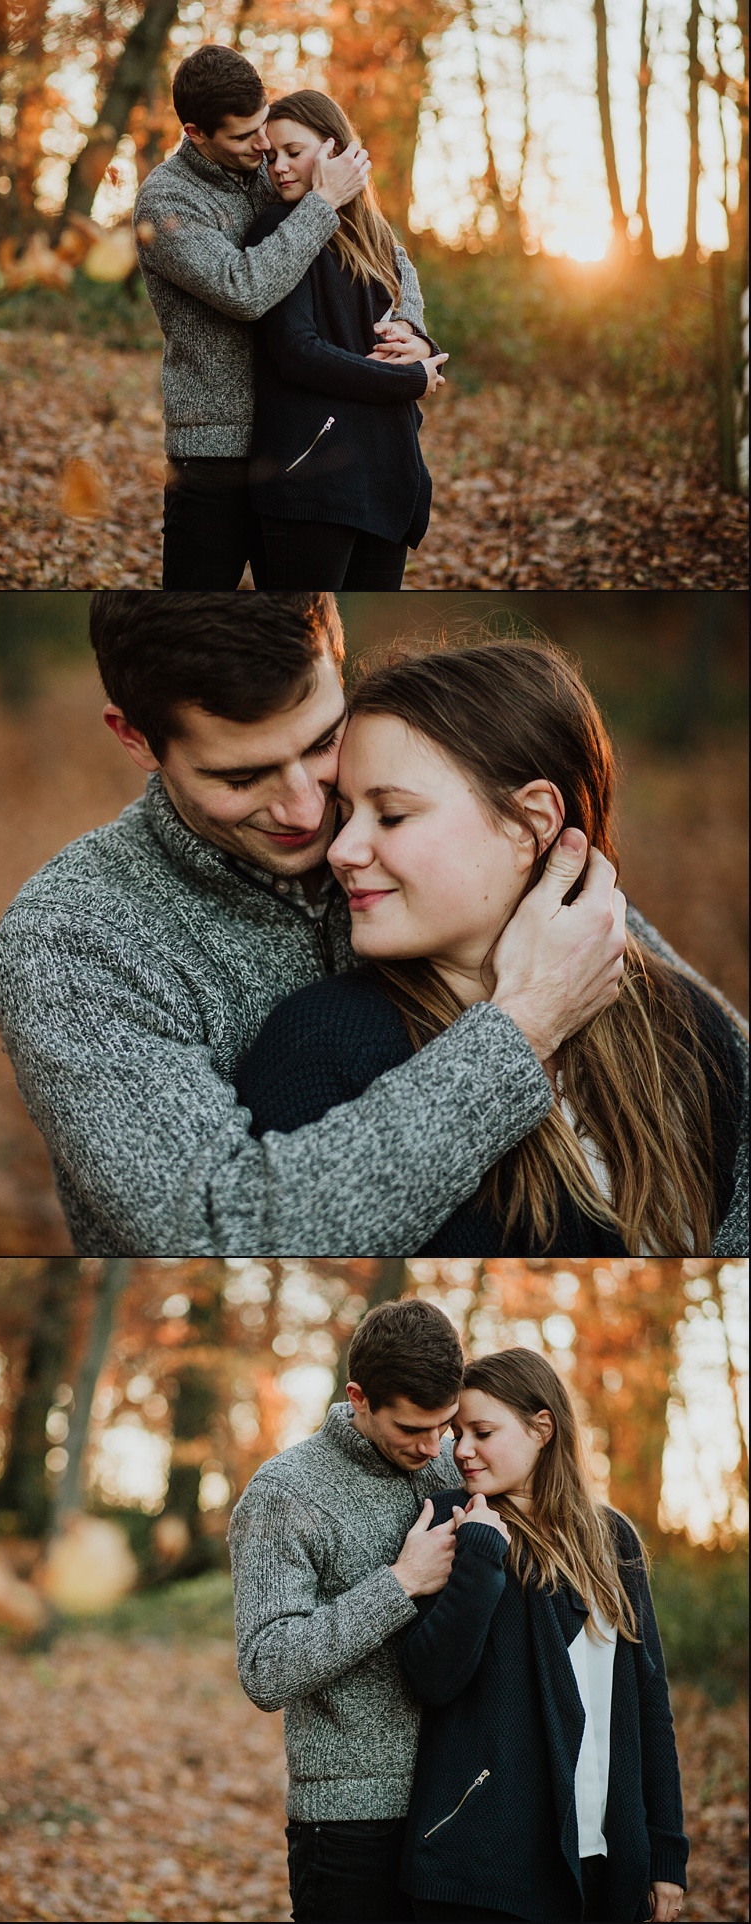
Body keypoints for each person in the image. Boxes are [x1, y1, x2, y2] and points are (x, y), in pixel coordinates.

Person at [0, 590, 716, 1262]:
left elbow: (698, 1042)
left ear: (337, 660)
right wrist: (519, 1032)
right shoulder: (75, 938)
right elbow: (216, 1235)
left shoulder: (443, 814)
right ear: (138, 739)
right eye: (242, 778)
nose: (308, 813)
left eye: (322, 742)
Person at [235, 638, 748, 1258]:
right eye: (346, 814)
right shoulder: (322, 1048)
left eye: (391, 815)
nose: (341, 850)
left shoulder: (682, 1026)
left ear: (532, 823)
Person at [395, 1349, 688, 1924]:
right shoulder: (453, 1521)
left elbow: (650, 1706)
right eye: (457, 1434)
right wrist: (481, 1553)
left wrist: (666, 1853)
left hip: (605, 1855)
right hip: (485, 1869)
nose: (461, 1449)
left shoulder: (613, 1539)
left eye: (482, 1431)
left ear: (542, 1428)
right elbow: (431, 1677)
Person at [133, 43, 428, 589]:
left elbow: (389, 250)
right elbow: (243, 289)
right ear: (196, 133)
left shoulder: (274, 168)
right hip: (217, 453)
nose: (265, 146)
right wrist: (320, 205)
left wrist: (410, 326)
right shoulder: (168, 202)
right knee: (199, 614)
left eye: (264, 127)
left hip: (297, 442)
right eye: (246, 138)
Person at [229, 1296, 467, 1924]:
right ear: (359, 1397)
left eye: (445, 1424)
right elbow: (265, 1668)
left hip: (464, 1799)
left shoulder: (456, 1465)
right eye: (412, 1429)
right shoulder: (285, 1493)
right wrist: (399, 1583)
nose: (432, 1446)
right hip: (349, 1820)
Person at [245, 87, 446, 589]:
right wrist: (406, 380)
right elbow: (297, 352)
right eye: (272, 156)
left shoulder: (380, 240)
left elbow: (412, 337)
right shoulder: (277, 229)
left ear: (336, 150)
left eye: (294, 152)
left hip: (386, 477)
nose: (279, 168)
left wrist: (418, 343)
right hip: (311, 477)